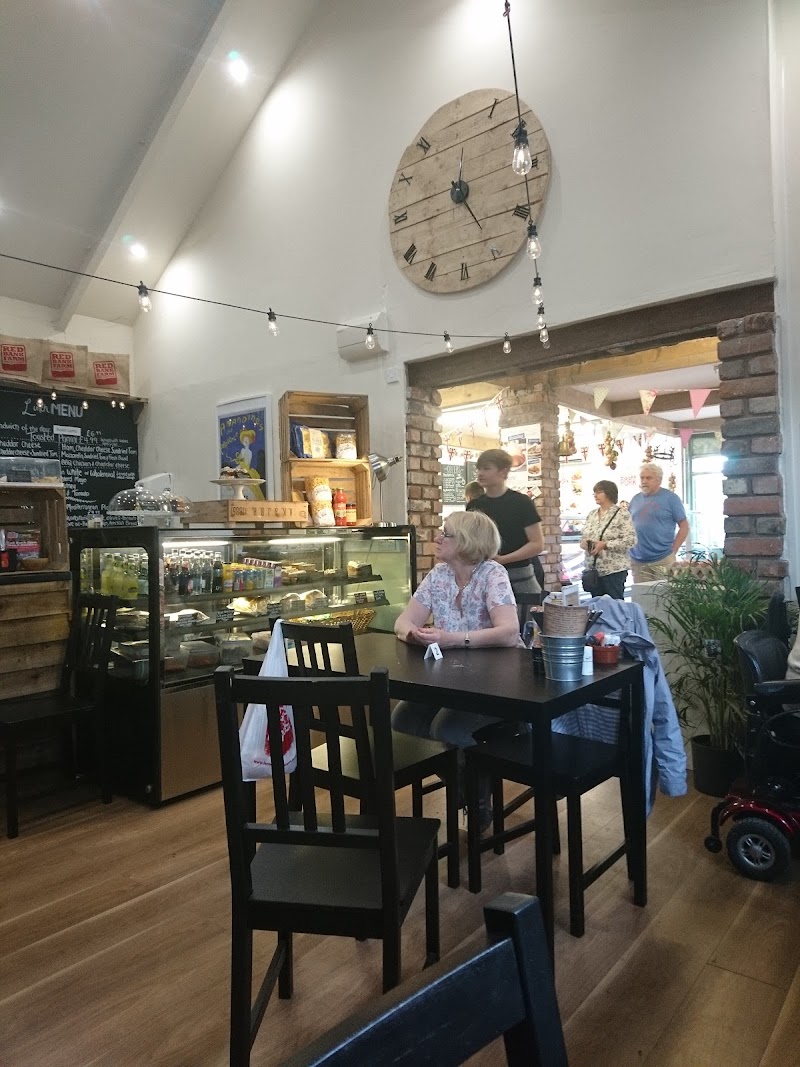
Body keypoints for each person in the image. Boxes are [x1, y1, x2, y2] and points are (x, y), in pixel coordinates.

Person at [466, 448, 545, 623]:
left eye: (486, 468)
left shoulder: (521, 502)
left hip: (520, 577)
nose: (480, 473)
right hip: (484, 576)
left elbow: (537, 544)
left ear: (503, 472)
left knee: (525, 628)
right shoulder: (474, 506)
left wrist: (503, 559)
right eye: (479, 469)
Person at [628, 463, 690, 582]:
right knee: (641, 593)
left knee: (663, 593)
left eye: (649, 478)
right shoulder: (635, 499)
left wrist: (674, 550)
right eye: (642, 478)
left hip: (663, 558)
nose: (644, 481)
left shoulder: (671, 498)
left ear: (659, 480)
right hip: (638, 560)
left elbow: (684, 526)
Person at [580, 480, 637, 600]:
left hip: (613, 570)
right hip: (593, 569)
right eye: (594, 492)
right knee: (596, 604)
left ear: (609, 493)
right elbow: (584, 535)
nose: (595, 495)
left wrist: (606, 544)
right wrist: (584, 543)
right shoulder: (592, 514)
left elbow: (630, 540)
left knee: (614, 604)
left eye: (599, 492)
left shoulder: (622, 514)